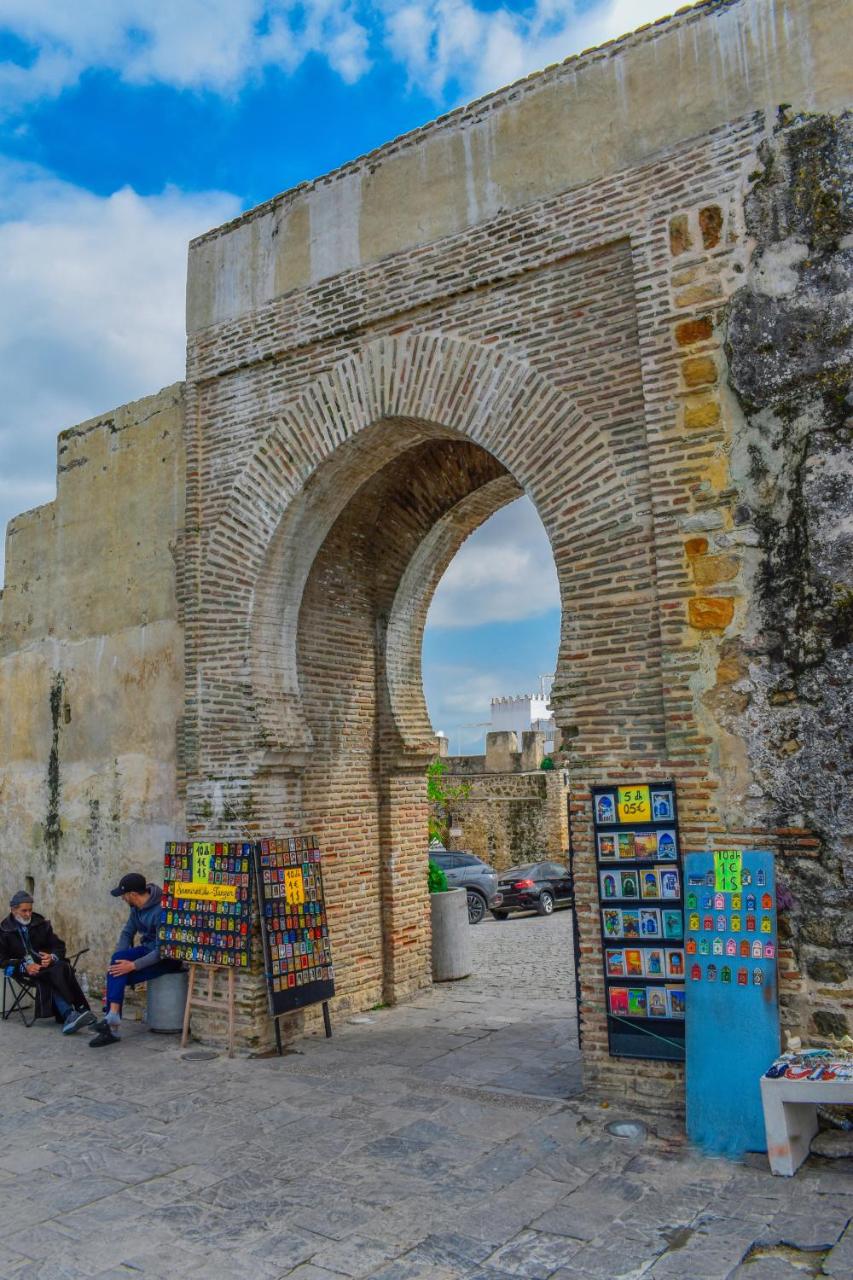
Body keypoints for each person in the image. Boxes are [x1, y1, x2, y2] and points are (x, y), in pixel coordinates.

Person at [89, 872, 182, 1048]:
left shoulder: (162, 910)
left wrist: (132, 965)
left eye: (123, 895)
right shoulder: (135, 909)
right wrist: (117, 962)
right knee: (116, 968)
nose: (122, 899)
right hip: (146, 950)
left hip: (167, 957)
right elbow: (127, 933)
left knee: (116, 977)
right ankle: (113, 1017)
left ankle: (112, 1028)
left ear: (132, 894)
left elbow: (162, 950)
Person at [0, 890, 96, 1034]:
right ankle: (75, 1011)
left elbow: (59, 946)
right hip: (23, 970)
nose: (28, 914)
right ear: (13, 910)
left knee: (61, 966)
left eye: (30, 910)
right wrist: (24, 966)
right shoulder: (4, 930)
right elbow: (2, 960)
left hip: (47, 966)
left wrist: (52, 957)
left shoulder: (40, 924)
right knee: (54, 972)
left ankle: (72, 1014)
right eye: (24, 911)